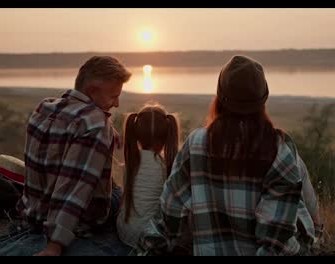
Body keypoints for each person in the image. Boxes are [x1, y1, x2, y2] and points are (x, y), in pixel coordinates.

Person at [137, 55, 324, 256]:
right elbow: (276, 244)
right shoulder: (278, 151)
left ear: (219, 97)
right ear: (262, 101)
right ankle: (318, 229)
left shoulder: (195, 143)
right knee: (294, 160)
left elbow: (168, 216)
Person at [0, 55, 133, 256]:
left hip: (34, 212)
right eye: (113, 96)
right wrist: (55, 245)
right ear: (93, 91)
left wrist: (108, 129)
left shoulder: (45, 108)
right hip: (74, 223)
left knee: (114, 191)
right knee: (126, 203)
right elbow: (72, 189)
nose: (117, 103)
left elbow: (78, 120)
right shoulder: (94, 125)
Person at [116, 103, 180, 249]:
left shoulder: (131, 164)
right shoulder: (166, 167)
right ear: (166, 135)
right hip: (149, 235)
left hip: (125, 231)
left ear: (137, 135)